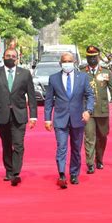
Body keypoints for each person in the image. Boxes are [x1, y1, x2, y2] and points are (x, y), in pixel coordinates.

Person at [0, 48, 37, 186]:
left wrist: (33, 116)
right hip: (1, 115)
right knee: (6, 144)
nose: (10, 58)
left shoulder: (25, 74)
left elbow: (31, 96)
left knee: (18, 145)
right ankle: (8, 171)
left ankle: (15, 172)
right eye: (8, 56)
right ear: (3, 57)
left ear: (17, 58)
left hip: (19, 115)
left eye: (13, 56)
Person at [44, 52, 94, 189]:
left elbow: (90, 95)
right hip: (60, 119)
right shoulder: (54, 79)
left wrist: (88, 111)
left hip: (78, 118)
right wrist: (47, 119)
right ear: (60, 63)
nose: (67, 63)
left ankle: (74, 174)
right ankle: (61, 174)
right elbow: (49, 100)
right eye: (64, 61)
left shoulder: (83, 77)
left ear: (75, 62)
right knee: (61, 147)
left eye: (70, 61)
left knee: (76, 149)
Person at [79, 46, 112, 174]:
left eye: (94, 57)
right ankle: (90, 163)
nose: (92, 59)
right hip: (87, 111)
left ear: (98, 57)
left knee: (102, 136)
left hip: (102, 110)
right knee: (89, 136)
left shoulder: (106, 72)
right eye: (89, 57)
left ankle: (100, 159)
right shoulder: (81, 72)